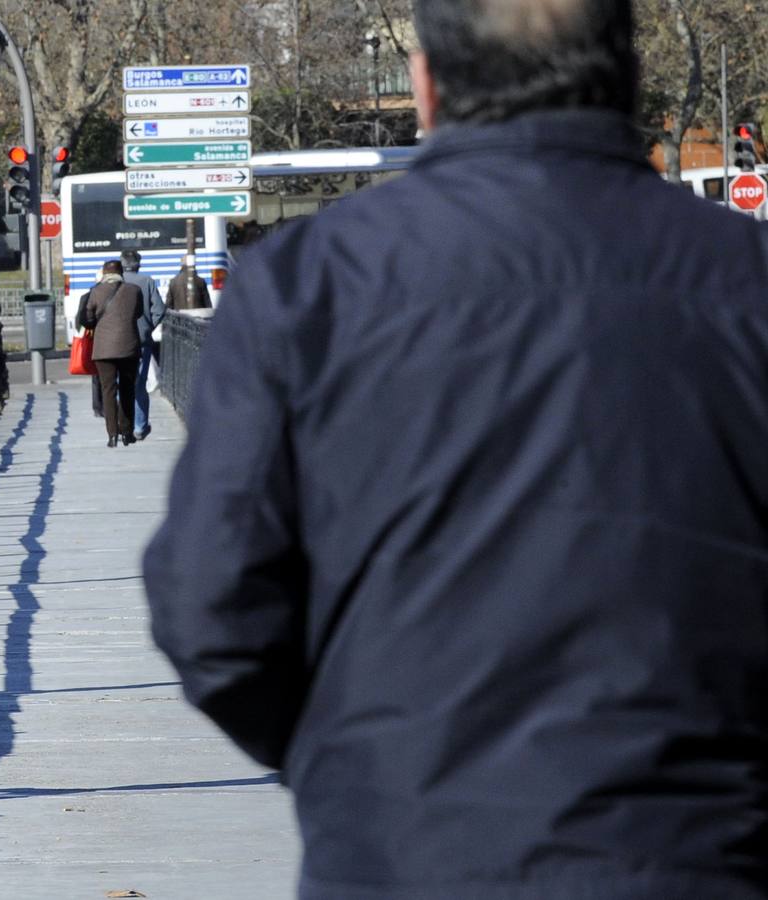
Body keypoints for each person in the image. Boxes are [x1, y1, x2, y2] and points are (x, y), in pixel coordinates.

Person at [144, 0, 768, 896]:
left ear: (426, 85)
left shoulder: (306, 289)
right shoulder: (744, 283)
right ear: (630, 76)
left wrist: (357, 764)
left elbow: (212, 606)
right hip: (697, 852)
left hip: (409, 849)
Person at [79, 259, 143, 447]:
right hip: (129, 346)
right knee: (127, 389)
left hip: (103, 349)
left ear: (104, 274)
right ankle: (127, 432)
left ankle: (112, 434)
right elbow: (138, 313)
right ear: (121, 272)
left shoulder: (95, 291)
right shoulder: (134, 290)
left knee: (108, 390)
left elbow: (88, 319)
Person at [120, 250, 163, 440]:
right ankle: (139, 426)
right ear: (138, 264)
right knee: (139, 384)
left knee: (121, 383)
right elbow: (159, 310)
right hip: (141, 340)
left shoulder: (116, 282)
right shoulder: (147, 281)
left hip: (119, 341)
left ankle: (124, 424)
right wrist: (147, 326)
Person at [73, 288, 102, 418]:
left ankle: (97, 407)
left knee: (96, 375)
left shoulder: (86, 296)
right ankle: (108, 406)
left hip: (92, 339)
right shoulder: (116, 291)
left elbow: (79, 320)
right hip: (103, 338)